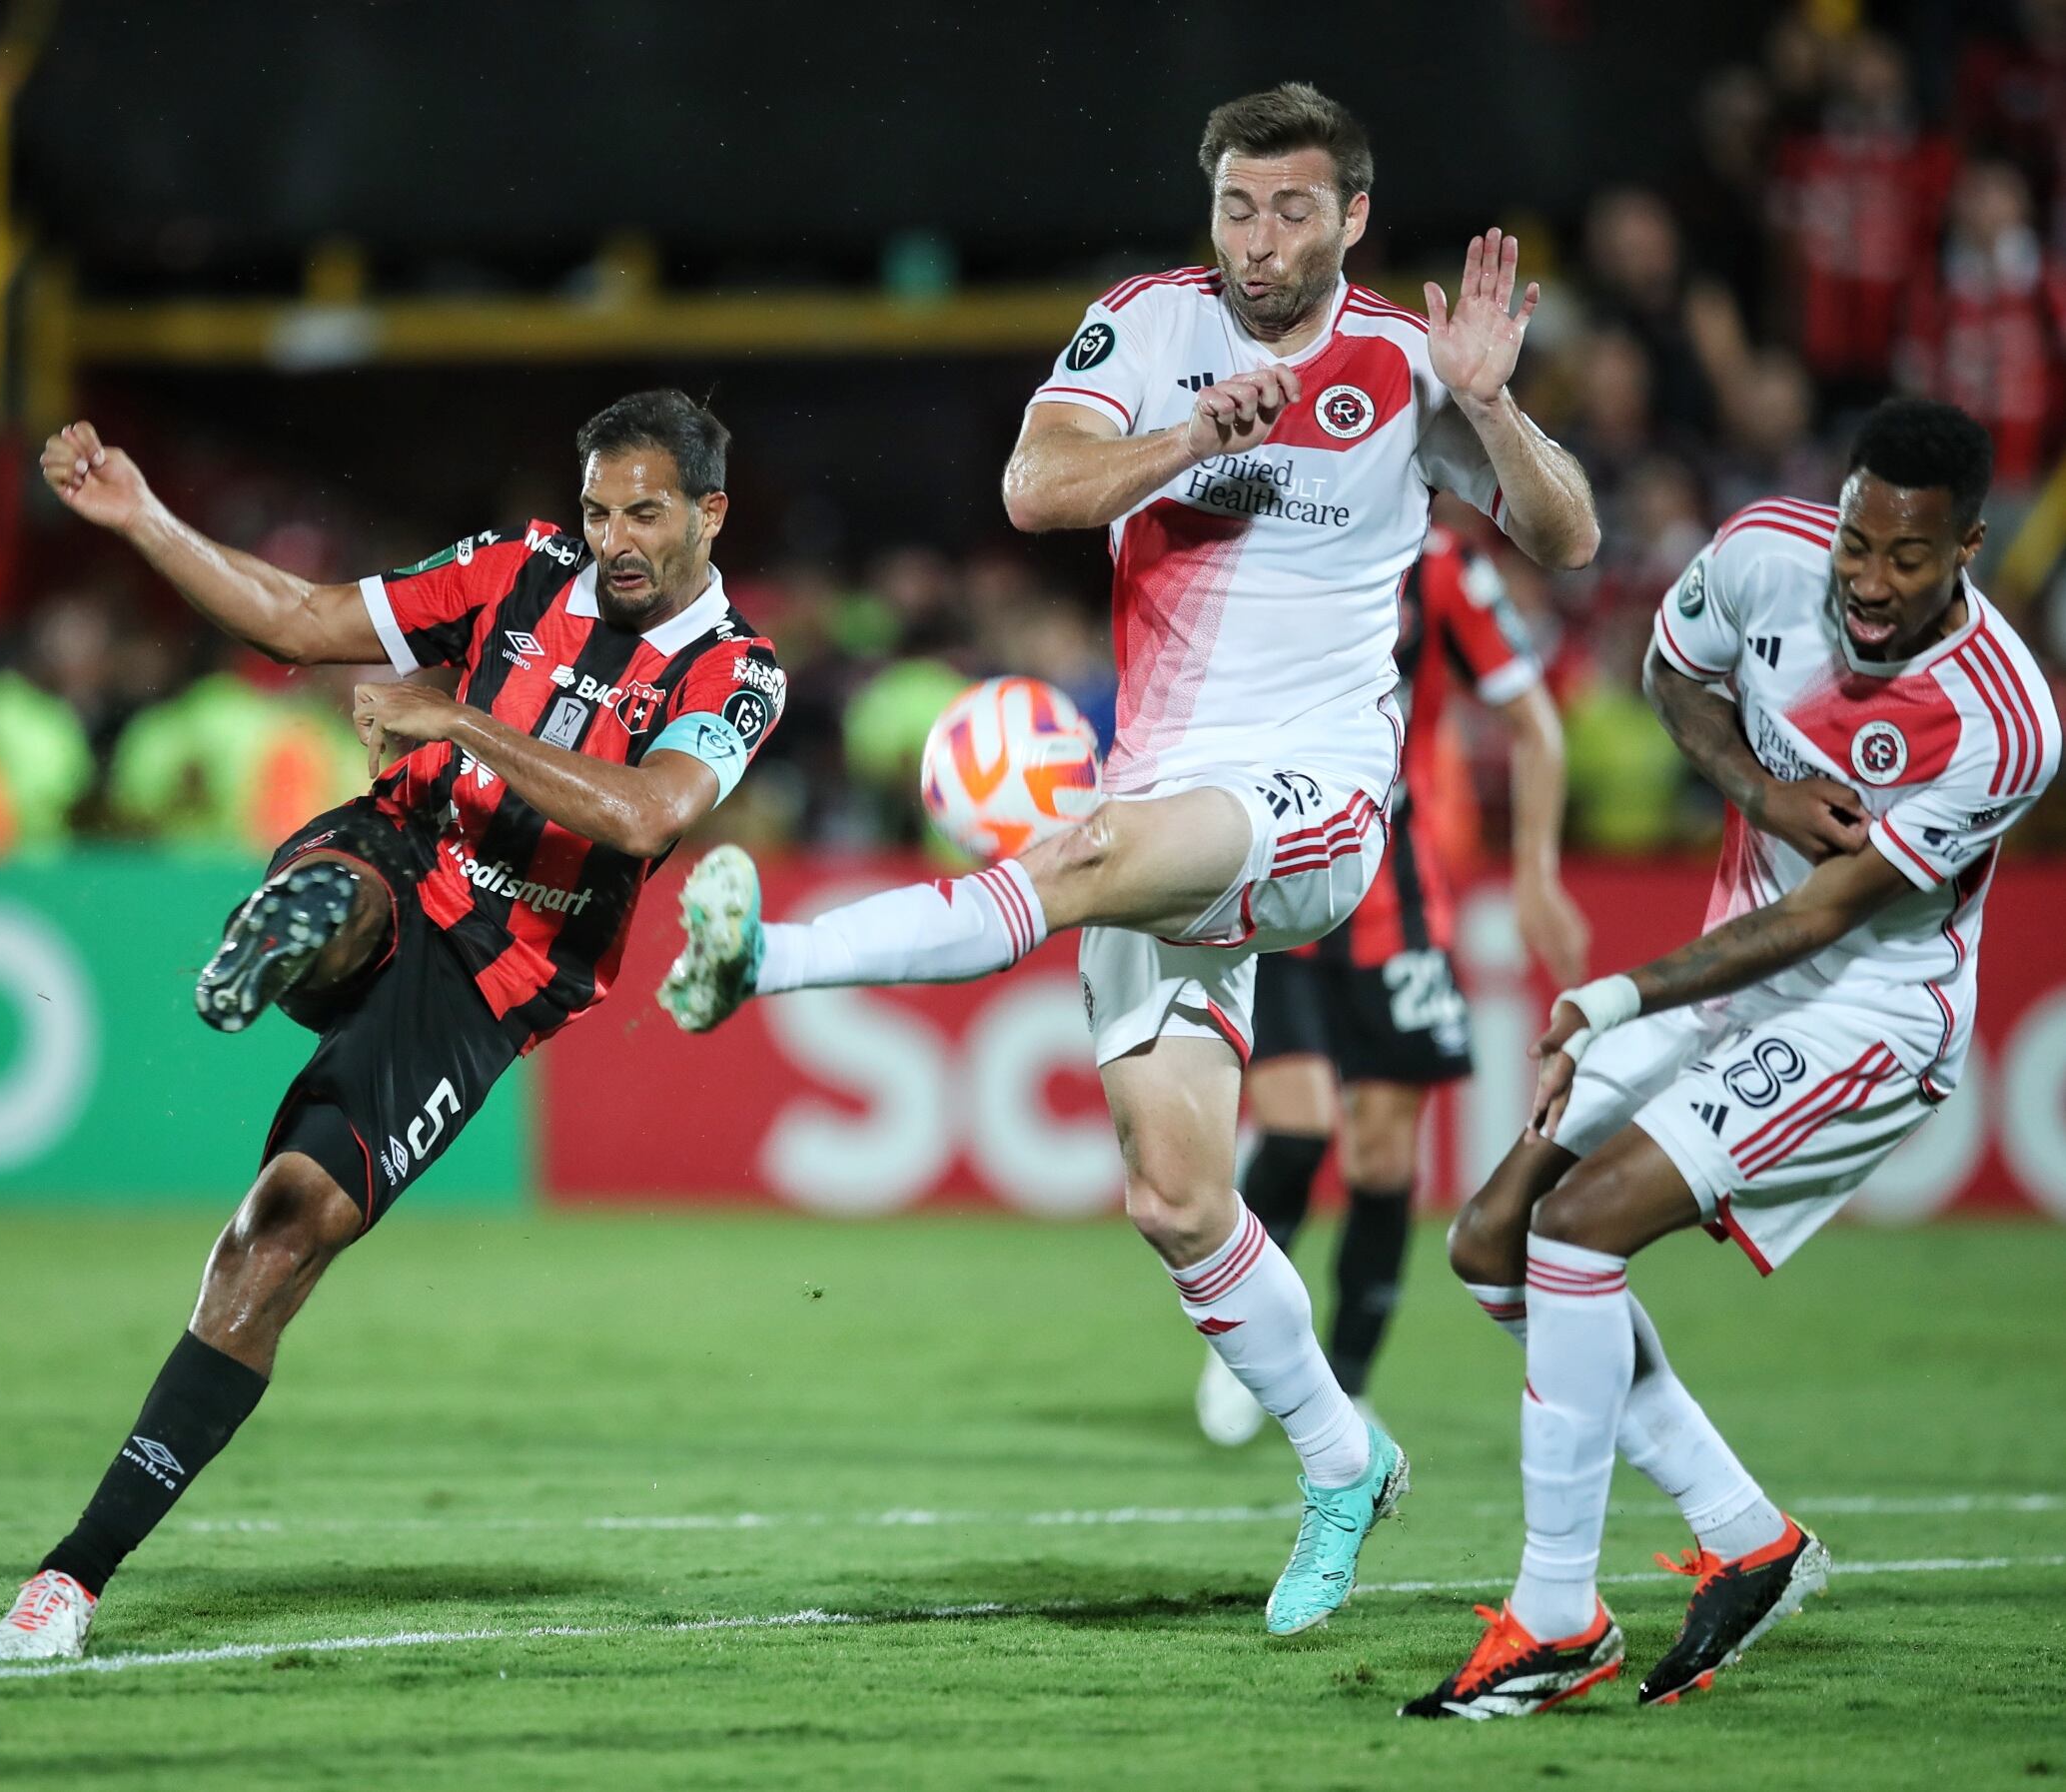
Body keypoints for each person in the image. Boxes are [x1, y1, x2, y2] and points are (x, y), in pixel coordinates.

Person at [657, 82, 1599, 1636]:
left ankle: (767, 957)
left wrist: (1492, 405)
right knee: (1173, 1198)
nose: (1259, 239)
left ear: (1351, 218)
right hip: (1164, 787)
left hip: (1311, 797)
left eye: (1293, 210)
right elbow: (1035, 489)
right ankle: (1339, 1457)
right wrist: (1183, 437)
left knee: (1082, 853)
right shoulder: (1146, 329)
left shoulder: (1405, 365)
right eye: (1237, 206)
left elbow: (1561, 539)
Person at [0, 391, 786, 1661]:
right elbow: (303, 625)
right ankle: (294, 934)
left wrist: (458, 717)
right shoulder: (518, 567)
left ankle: (73, 1577)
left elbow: (642, 816)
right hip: (407, 849)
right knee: (351, 888)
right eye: (597, 509)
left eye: (644, 512)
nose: (614, 537)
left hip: (496, 976)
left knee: (279, 1233)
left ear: (710, 513)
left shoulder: (737, 673)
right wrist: (143, 518)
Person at [1406, 401, 2052, 1719]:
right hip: (1726, 973)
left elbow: (1821, 913)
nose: (1866, 583)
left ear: (1967, 549)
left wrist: (1614, 990)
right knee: (1491, 1242)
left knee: (1575, 1233)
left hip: (1860, 1016)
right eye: (1855, 545)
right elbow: (1672, 674)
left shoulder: (2003, 723)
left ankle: (1550, 1617)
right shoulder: (1763, 549)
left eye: (1904, 560)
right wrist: (1756, 792)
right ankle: (1742, 1533)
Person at [1198, 525, 1587, 1445]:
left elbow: (1534, 723)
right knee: (1294, 1129)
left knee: (1379, 1158)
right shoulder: (1261, 542)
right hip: (1276, 871)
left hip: (1396, 895)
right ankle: (1240, 1345)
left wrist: (1535, 873)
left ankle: (1348, 1381)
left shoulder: (1443, 567)